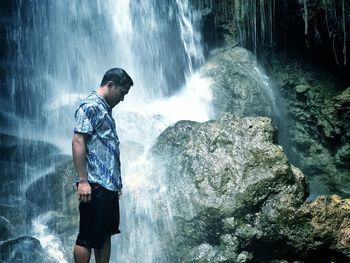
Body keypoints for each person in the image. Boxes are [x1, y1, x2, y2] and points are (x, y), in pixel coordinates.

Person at [72, 68, 133, 263]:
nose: (122, 99)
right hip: (95, 185)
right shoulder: (90, 106)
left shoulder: (104, 108)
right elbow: (78, 141)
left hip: (108, 186)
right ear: (110, 85)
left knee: (105, 235)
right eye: (122, 93)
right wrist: (83, 181)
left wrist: (117, 184)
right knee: (87, 238)